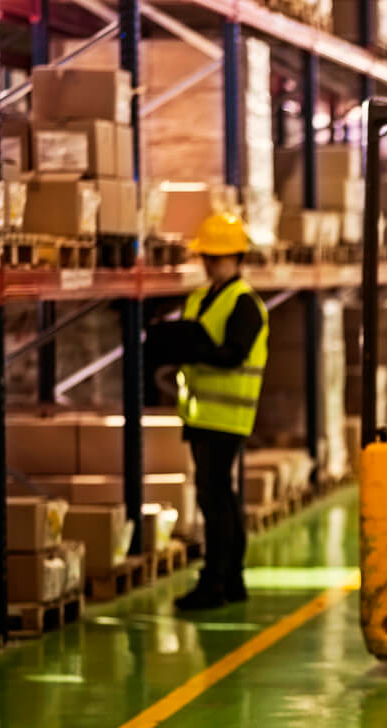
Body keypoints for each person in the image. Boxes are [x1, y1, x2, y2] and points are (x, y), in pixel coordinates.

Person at [145, 212, 268, 613]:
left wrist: (192, 349)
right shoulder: (199, 299)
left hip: (228, 417)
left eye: (218, 258)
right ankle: (230, 579)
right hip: (200, 414)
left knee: (214, 499)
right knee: (219, 496)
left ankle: (216, 581)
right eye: (207, 258)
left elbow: (233, 354)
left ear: (237, 258)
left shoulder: (245, 303)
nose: (211, 264)